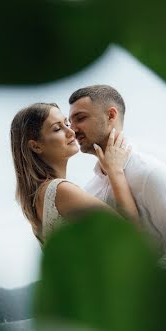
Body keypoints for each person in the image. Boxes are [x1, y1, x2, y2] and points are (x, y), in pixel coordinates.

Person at [69, 85, 166, 268]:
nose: (73, 129)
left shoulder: (150, 173)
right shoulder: (89, 190)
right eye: (70, 122)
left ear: (111, 115)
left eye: (80, 118)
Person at [10, 102, 139, 245]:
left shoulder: (38, 199)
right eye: (57, 128)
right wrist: (115, 171)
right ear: (36, 146)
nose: (71, 132)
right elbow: (130, 233)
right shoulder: (60, 191)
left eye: (66, 123)